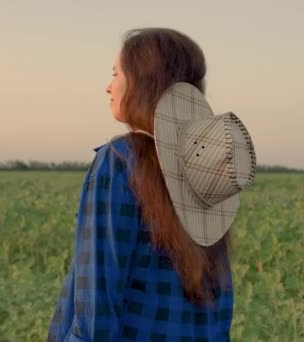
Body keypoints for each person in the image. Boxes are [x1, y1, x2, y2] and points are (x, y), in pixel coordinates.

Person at [47, 27, 256, 342]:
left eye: (116, 73)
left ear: (144, 82)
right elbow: (220, 307)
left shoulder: (119, 161)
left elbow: (99, 297)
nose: (108, 86)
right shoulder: (206, 168)